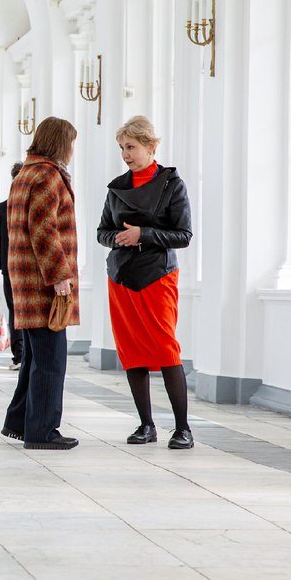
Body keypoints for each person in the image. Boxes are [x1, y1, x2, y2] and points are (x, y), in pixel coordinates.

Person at [96, 115, 194, 449]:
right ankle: (146, 425)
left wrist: (143, 235)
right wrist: (120, 238)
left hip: (157, 275)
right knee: (132, 351)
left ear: (151, 146)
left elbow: (183, 235)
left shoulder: (171, 185)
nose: (126, 154)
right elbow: (102, 232)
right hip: (121, 276)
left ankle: (183, 429)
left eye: (131, 147)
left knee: (166, 348)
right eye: (122, 148)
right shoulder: (116, 188)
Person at [0, 118, 80, 451]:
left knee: (34, 357)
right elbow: (44, 230)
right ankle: (43, 432)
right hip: (43, 282)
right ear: (61, 143)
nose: (73, 150)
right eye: (71, 143)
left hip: (25, 278)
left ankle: (20, 422)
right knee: (51, 360)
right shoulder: (47, 175)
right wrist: (60, 275)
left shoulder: (25, 174)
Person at [0, 162, 25, 369]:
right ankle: (20, 356)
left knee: (18, 311)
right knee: (17, 311)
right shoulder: (4, 209)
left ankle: (22, 356)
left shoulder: (7, 207)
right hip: (12, 268)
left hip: (16, 268)